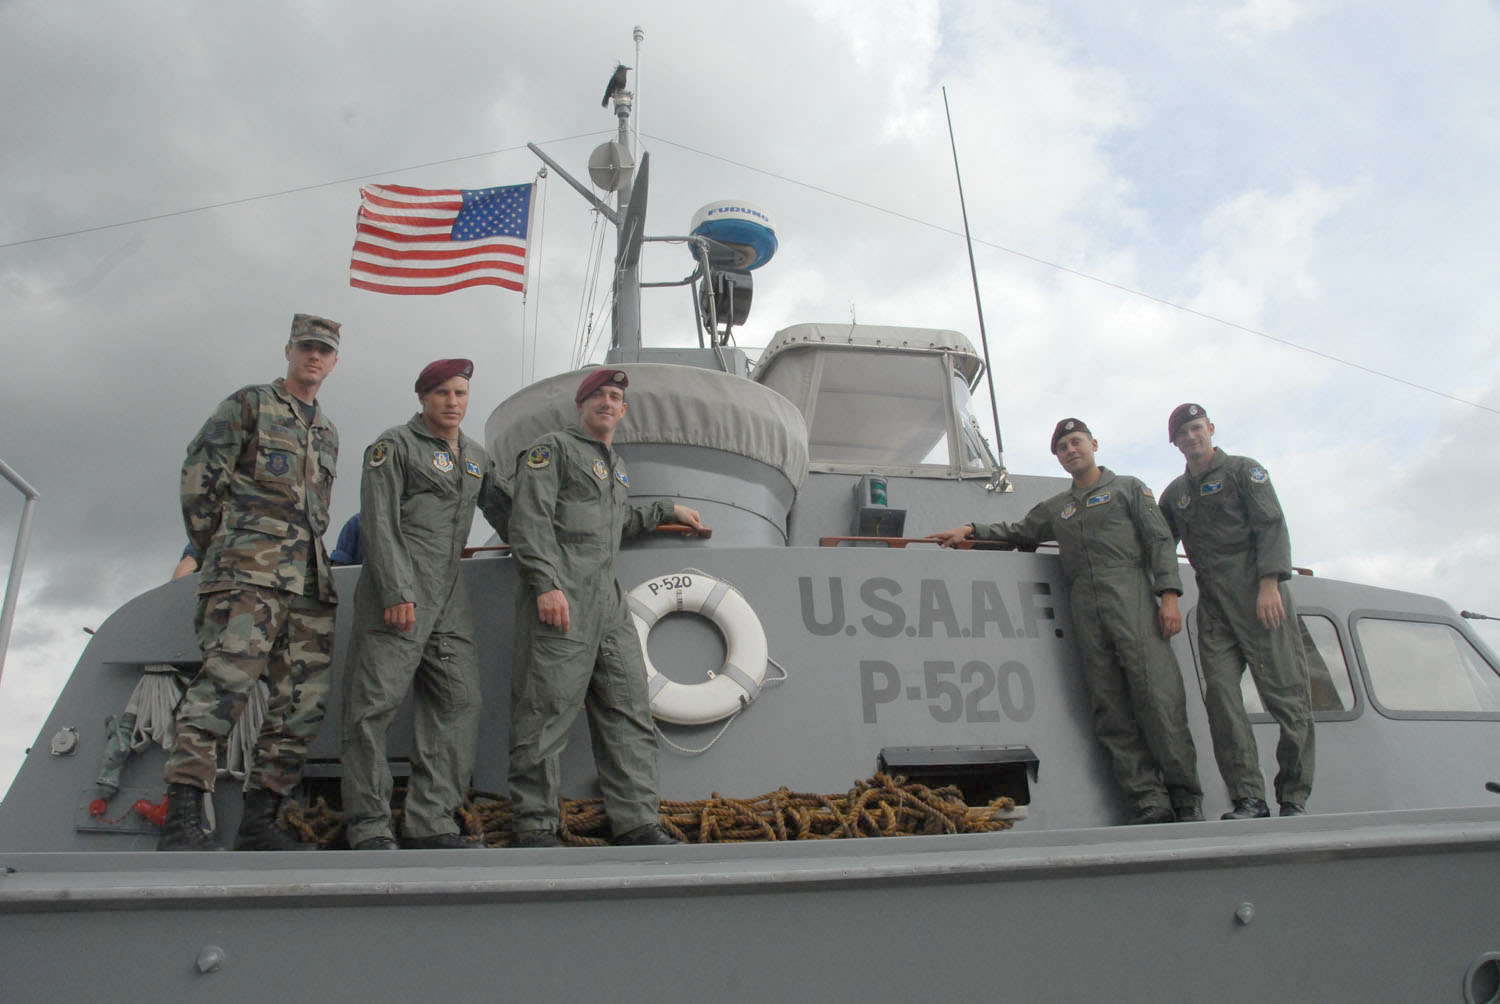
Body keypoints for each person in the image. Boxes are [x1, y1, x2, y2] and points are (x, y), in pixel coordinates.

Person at [931, 418, 1203, 825]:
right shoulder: (1059, 508)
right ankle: (1148, 800)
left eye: (1076, 442)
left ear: (1094, 444)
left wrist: (1169, 597)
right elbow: (1020, 531)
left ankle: (1185, 798)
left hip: (1133, 603)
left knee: (1160, 701)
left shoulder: (1128, 489)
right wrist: (970, 528)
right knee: (1110, 710)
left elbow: (1159, 540)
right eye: (1062, 447)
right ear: (1058, 458)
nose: (1071, 450)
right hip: (1087, 614)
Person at [159, 312, 342, 851]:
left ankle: (261, 820)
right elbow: (200, 478)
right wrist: (222, 548)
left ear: (334, 361)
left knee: (301, 701)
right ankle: (182, 816)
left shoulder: (327, 431)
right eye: (306, 347)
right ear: (289, 351)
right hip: (246, 574)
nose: (314, 356)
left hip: (308, 582)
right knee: (224, 687)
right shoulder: (249, 405)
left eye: (324, 350)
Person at [506, 367, 708, 847]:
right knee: (546, 711)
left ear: (623, 409)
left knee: (628, 706)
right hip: (564, 593)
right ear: (581, 404)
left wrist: (665, 511)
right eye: (598, 395)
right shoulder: (552, 450)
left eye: (615, 397)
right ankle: (533, 824)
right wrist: (546, 584)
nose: (607, 402)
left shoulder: (616, 467)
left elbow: (615, 523)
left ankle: (636, 821)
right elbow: (529, 520)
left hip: (608, 601)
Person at [340, 359, 512, 850]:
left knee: (459, 700)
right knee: (372, 708)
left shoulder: (475, 457)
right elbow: (378, 523)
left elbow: (512, 512)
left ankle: (430, 819)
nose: (452, 402)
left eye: (460, 393)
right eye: (442, 393)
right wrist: (397, 591)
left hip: (448, 594)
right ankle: (368, 825)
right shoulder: (394, 446)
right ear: (423, 397)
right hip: (399, 589)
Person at [1161, 403, 1315, 819]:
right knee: (1223, 702)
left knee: (1288, 700)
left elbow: (1271, 524)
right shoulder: (1176, 495)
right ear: (1174, 443)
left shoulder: (1244, 472)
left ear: (1210, 428)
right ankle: (1248, 797)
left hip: (1261, 599)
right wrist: (1167, 591)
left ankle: (1293, 797)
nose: (1191, 437)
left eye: (1197, 428)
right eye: (1182, 433)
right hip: (1215, 610)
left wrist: (1270, 584)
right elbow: (1159, 543)